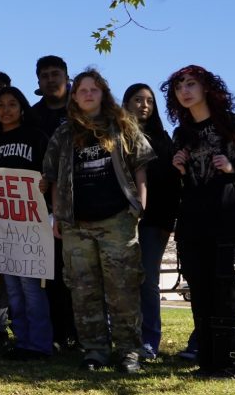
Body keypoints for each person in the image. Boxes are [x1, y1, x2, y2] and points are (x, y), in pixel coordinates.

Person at [163, 66, 235, 378]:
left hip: (230, 218)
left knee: (230, 293)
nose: (184, 90)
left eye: (191, 83)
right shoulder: (181, 134)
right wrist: (178, 169)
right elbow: (180, 183)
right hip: (193, 221)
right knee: (200, 292)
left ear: (207, 88)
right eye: (178, 87)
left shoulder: (232, 124)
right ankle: (209, 361)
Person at [42, 70, 154, 373]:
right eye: (82, 90)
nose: (88, 94)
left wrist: (139, 203)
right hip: (76, 224)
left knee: (123, 289)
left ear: (103, 93)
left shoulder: (121, 125)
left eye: (94, 89)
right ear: (74, 96)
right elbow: (51, 178)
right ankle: (95, 350)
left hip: (117, 220)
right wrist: (57, 215)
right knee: (83, 290)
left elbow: (140, 164)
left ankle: (130, 352)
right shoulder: (63, 134)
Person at [0, 86, 52, 360]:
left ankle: (40, 344)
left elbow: (49, 173)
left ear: (22, 108)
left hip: (31, 223)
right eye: (0, 106)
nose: (6, 110)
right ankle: (22, 341)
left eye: (12, 104)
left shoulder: (37, 137)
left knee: (30, 286)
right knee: (12, 288)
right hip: (2, 225)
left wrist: (46, 183)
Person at [122, 82, 179, 360]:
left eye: (149, 101)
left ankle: (149, 341)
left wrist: (168, 222)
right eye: (137, 100)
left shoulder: (162, 138)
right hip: (118, 219)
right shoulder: (115, 136)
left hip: (154, 220)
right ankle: (123, 338)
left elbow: (171, 184)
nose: (144, 105)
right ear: (126, 103)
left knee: (148, 281)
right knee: (120, 282)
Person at [31, 54, 76, 350]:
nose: (50, 79)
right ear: (38, 81)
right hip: (40, 204)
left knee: (77, 271)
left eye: (55, 73)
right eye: (44, 75)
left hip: (81, 202)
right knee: (49, 272)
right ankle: (57, 333)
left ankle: (80, 333)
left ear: (67, 76)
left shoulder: (82, 109)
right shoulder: (32, 115)